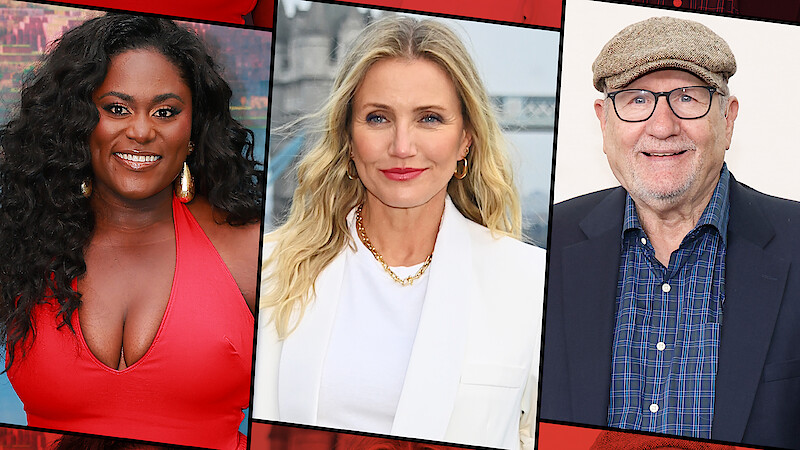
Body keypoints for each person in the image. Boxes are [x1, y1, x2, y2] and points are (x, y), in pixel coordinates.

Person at [252, 15, 545, 450]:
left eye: (429, 118)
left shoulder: (532, 281)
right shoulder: (269, 269)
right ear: (348, 137)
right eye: (377, 117)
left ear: (466, 138)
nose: (402, 146)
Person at [0, 14, 262, 449]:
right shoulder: (23, 242)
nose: (141, 131)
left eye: (166, 111)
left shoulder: (249, 248)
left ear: (193, 128)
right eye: (116, 109)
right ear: (78, 121)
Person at [540, 16, 800, 450]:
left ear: (728, 118)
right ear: (604, 123)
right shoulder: (542, 243)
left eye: (687, 97)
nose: (662, 126)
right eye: (637, 99)